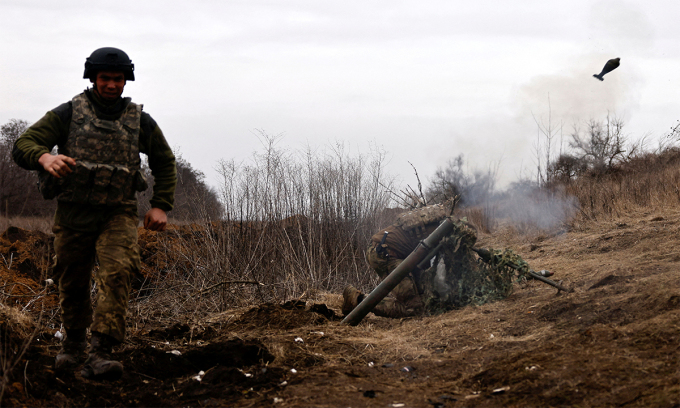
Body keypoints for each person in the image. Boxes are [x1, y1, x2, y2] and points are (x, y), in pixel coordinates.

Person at [12, 47, 177, 381]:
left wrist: (161, 204)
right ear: (93, 78)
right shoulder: (68, 114)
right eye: (105, 78)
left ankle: (102, 352)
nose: (112, 85)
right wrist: (44, 158)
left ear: (126, 80)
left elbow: (165, 161)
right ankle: (73, 345)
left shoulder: (139, 120)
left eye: (118, 79)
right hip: (74, 215)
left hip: (118, 214)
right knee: (71, 281)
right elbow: (24, 144)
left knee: (118, 272)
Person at [342, 203, 451, 318]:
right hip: (384, 255)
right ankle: (357, 299)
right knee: (413, 309)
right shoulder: (440, 231)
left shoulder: (430, 222)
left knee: (418, 298)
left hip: (385, 251)